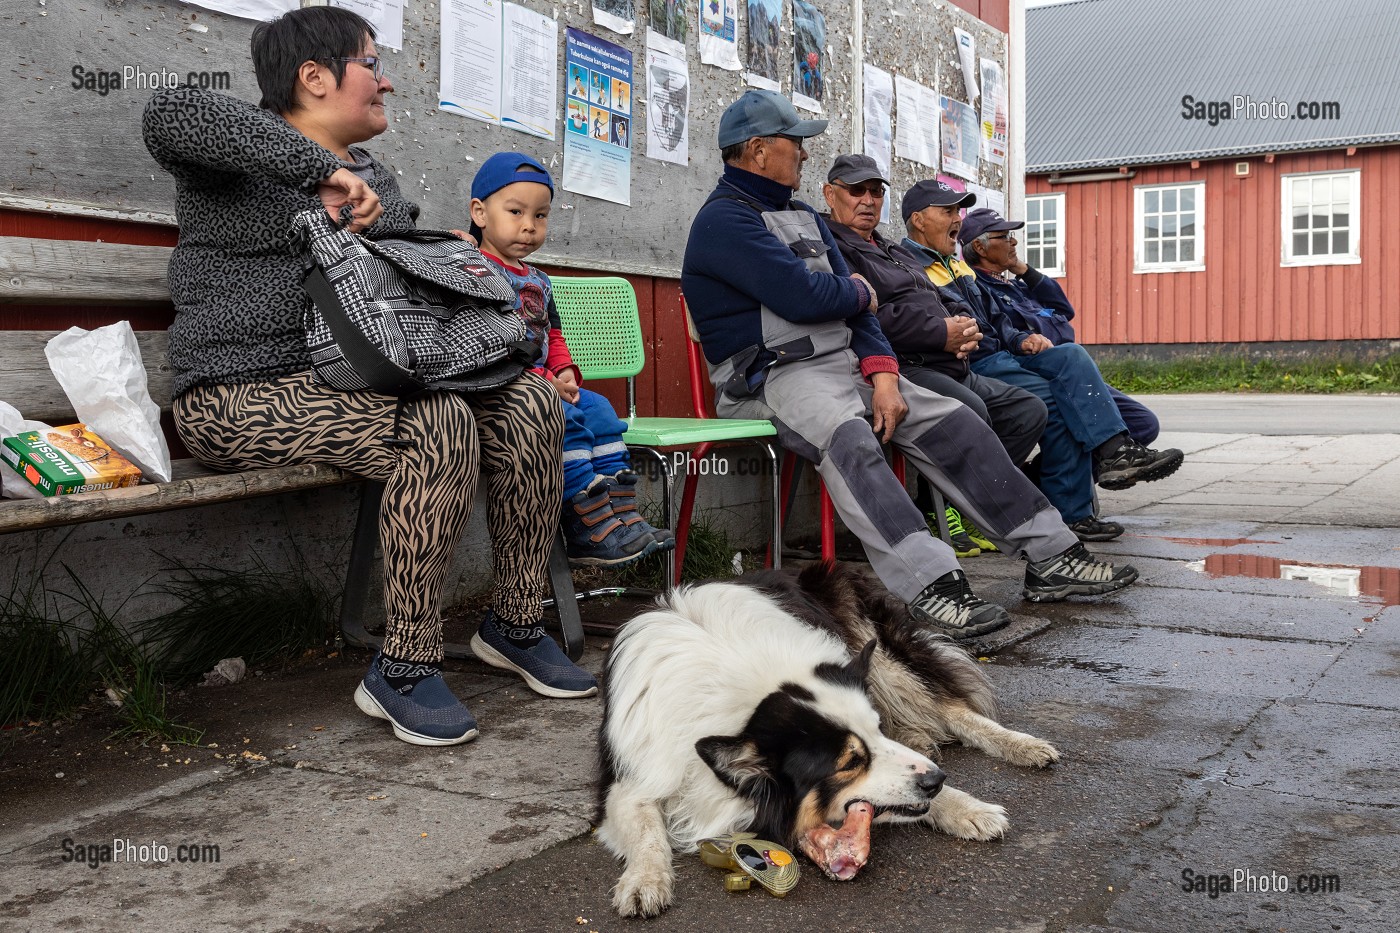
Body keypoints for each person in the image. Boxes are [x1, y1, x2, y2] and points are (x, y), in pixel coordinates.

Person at [141, 6, 595, 749]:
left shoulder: (377, 179)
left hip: (355, 383)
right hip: (237, 393)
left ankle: (513, 622)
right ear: (314, 79)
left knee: (530, 403)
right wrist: (319, 171)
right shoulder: (234, 162)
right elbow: (172, 113)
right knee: (437, 421)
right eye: (371, 64)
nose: (388, 80)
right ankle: (405, 665)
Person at [682, 89, 1140, 641]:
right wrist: (853, 290)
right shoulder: (723, 222)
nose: (804, 153)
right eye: (795, 143)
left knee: (957, 422)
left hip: (849, 368)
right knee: (850, 439)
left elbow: (861, 310)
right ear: (757, 150)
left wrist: (881, 375)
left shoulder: (802, 215)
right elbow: (805, 297)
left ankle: (1053, 556)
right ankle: (931, 584)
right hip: (774, 378)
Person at [899, 180, 1185, 537]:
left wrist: (1023, 339)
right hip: (974, 364)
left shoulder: (958, 269)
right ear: (919, 220)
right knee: (1059, 404)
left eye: (959, 211)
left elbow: (1001, 322)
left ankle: (1114, 453)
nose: (956, 218)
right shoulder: (907, 265)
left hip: (1004, 357)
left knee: (1071, 355)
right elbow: (933, 327)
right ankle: (1074, 510)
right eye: (948, 211)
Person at [820, 153, 1046, 554]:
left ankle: (970, 504)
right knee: (972, 410)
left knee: (1028, 411)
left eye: (875, 191)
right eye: (857, 191)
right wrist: (938, 332)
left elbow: (942, 294)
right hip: (903, 367)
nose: (868, 200)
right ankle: (943, 509)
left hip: (951, 361)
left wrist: (963, 323)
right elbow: (868, 315)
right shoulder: (833, 249)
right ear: (830, 195)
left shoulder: (893, 248)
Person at [467, 151, 673, 566]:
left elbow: (553, 334)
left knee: (598, 409)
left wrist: (563, 370)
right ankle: (585, 522)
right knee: (567, 418)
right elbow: (488, 341)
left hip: (548, 380)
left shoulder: (538, 279)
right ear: (480, 212)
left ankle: (621, 516)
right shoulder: (472, 269)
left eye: (541, 216)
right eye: (516, 211)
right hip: (509, 392)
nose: (529, 225)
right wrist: (545, 380)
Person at [958, 206, 1161, 447]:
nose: (1013, 241)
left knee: (1144, 424)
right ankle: (1102, 458)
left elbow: (1064, 310)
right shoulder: (976, 287)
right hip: (1037, 367)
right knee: (1077, 423)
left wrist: (1023, 270)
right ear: (980, 247)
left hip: (1072, 370)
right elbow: (1000, 340)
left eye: (1012, 235)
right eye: (1003, 236)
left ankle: (1083, 469)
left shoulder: (1017, 287)